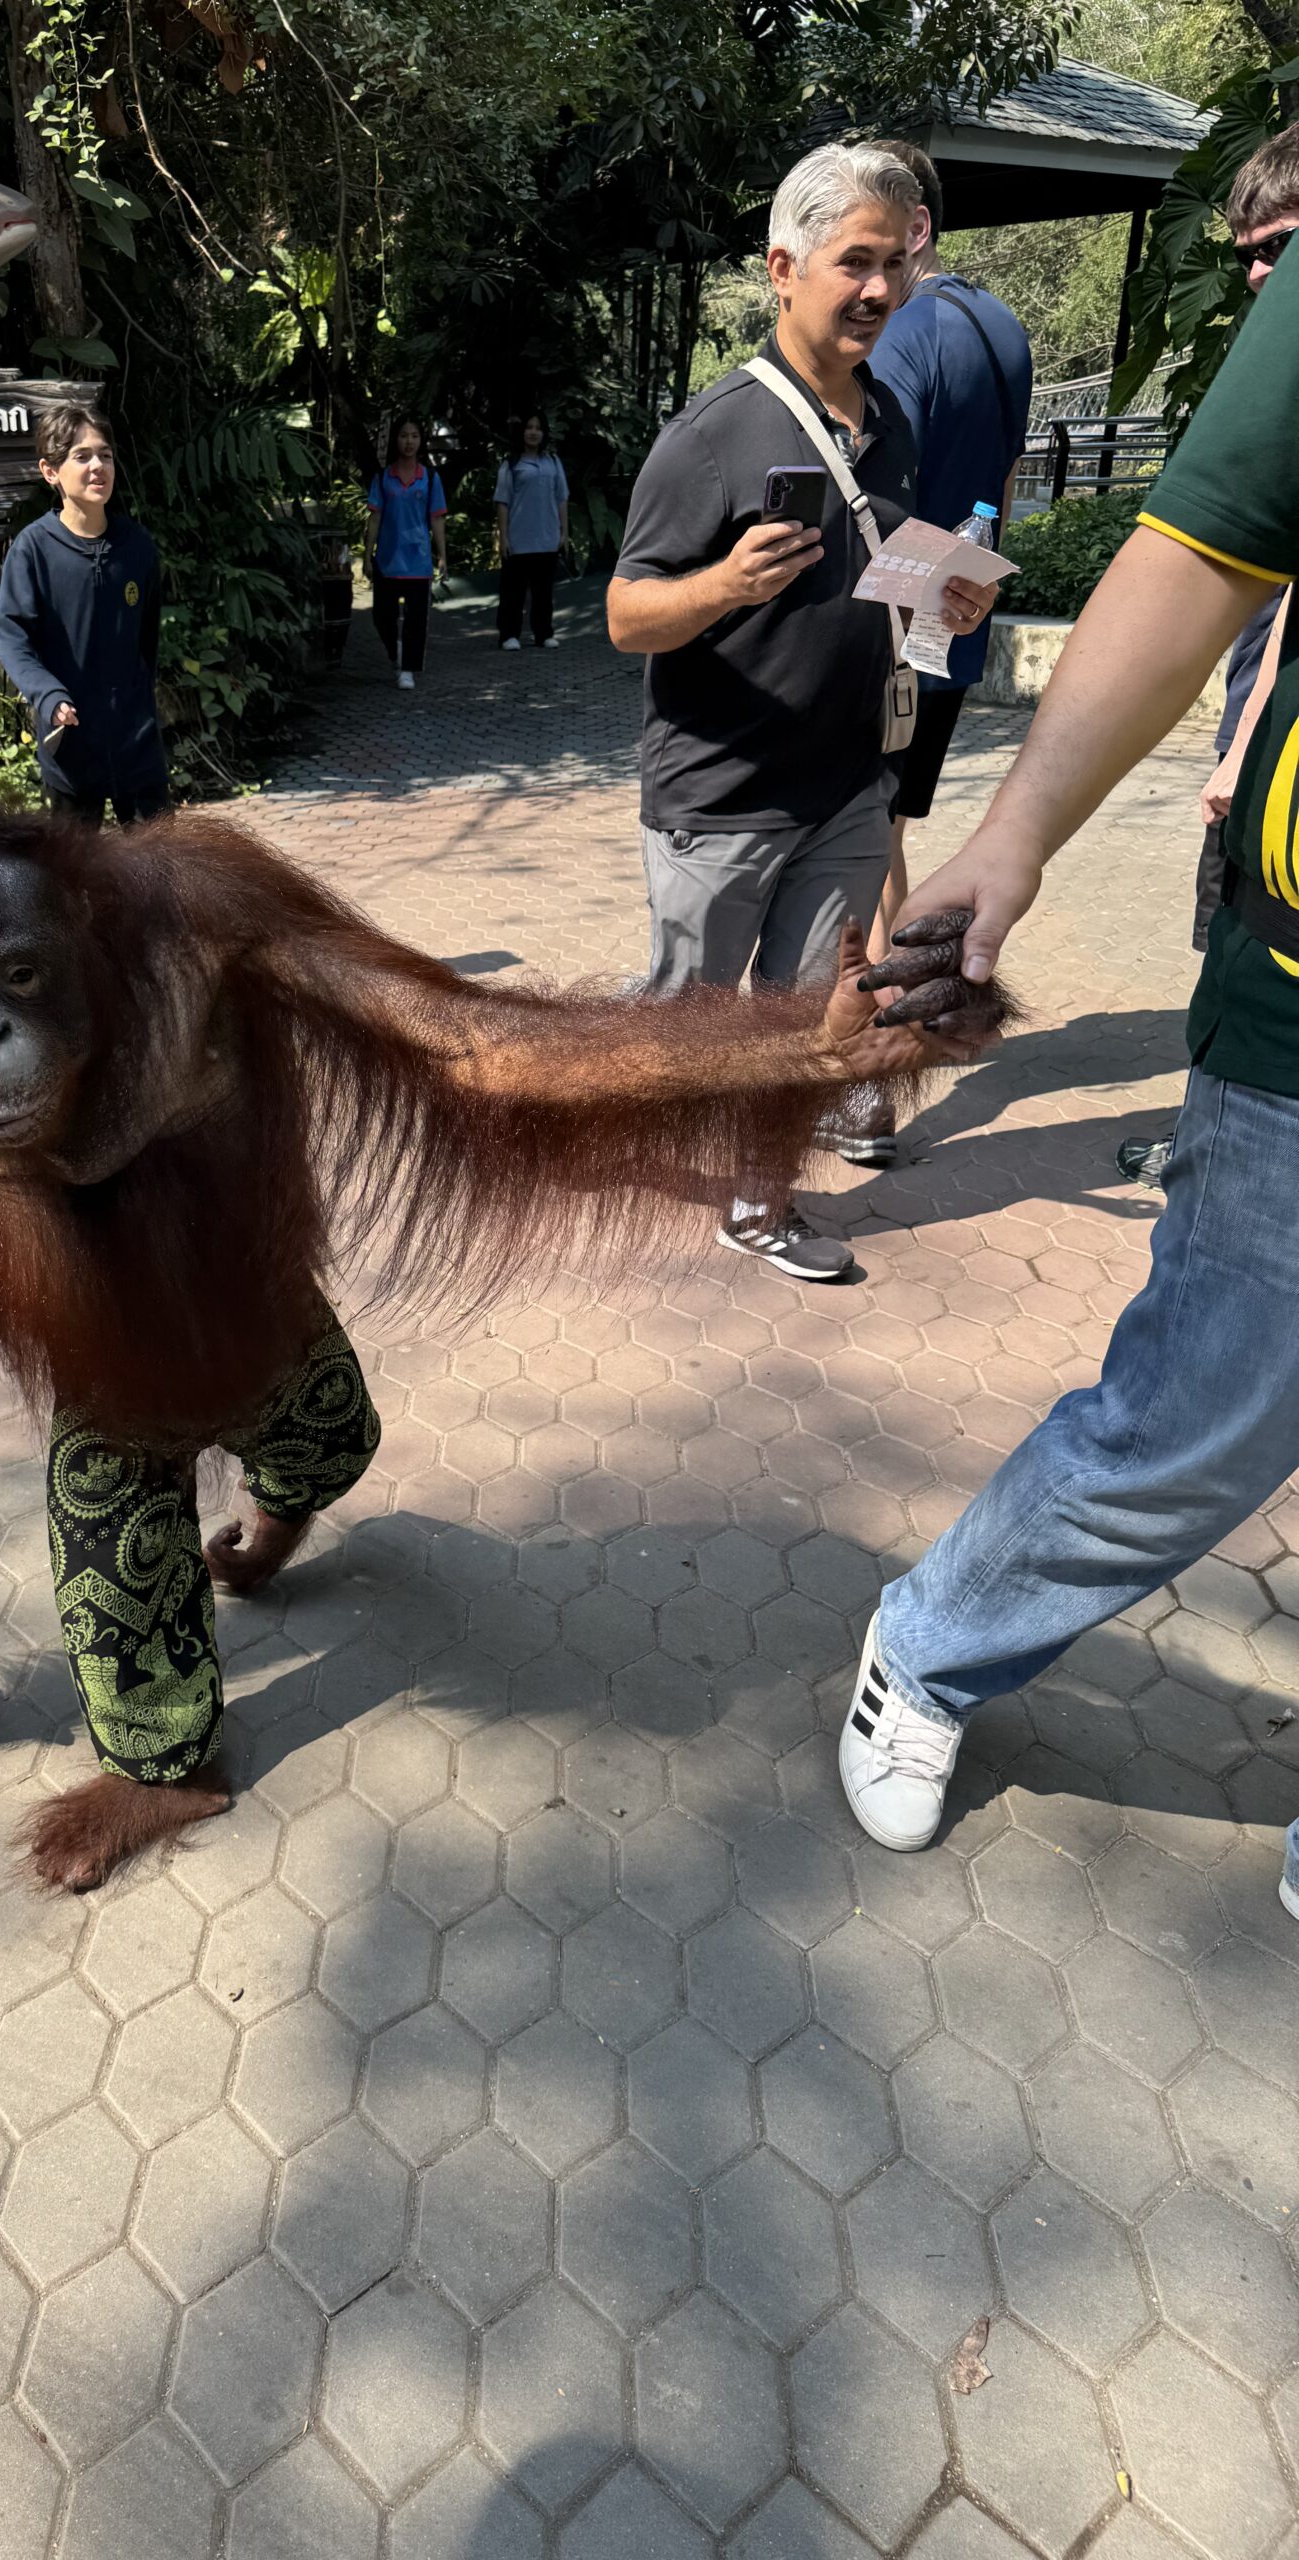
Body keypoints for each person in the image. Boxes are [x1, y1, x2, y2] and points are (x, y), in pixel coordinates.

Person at [837, 219, 1299, 1893]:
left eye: (895, 257)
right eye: (1255, 250)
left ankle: (877, 1082)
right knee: (1203, 1410)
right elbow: (1211, 554)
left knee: (891, 841)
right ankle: (938, 1642)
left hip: (935, 624)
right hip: (902, 645)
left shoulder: (945, 361)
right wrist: (1019, 830)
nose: (877, 284)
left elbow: (986, 534)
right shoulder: (882, 373)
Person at [608, 142, 992, 1279]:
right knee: (690, 1014)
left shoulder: (896, 425)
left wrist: (951, 613)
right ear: (784, 267)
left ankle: (756, 1196)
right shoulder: (715, 432)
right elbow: (629, 615)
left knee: (795, 1013)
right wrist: (725, 585)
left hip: (846, 785)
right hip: (722, 793)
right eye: (853, 262)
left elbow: (899, 610)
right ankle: (609, 1134)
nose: (879, 290)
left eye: (894, 266)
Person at [818, 138, 1033, 1170]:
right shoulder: (1001, 327)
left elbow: (873, 485)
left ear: (914, 228)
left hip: (893, 623)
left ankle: (872, 1075)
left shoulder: (903, 334)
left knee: (868, 846)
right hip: (963, 614)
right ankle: (911, 1027)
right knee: (893, 828)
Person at [1116, 126, 1299, 1188]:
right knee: (1221, 939)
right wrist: (1238, 743)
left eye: (1282, 244)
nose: (1265, 274)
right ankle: (1204, 1132)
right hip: (1259, 772)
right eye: (1251, 256)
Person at [0, 403, 168, 823]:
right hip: (70, 745)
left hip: (137, 744)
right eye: (82, 456)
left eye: (105, 455)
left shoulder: (137, 547)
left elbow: (148, 641)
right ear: (50, 471)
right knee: (74, 881)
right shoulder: (33, 550)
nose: (98, 467)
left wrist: (139, 704)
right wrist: (48, 695)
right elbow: (13, 638)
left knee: (157, 875)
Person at [367, 417, 448, 690]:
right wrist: (368, 554)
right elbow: (375, 518)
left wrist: (442, 555)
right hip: (388, 559)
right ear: (395, 440)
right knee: (382, 616)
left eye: (414, 436)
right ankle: (396, 652)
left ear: (420, 440)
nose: (409, 441)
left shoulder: (430, 478)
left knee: (416, 618)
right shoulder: (382, 477)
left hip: (418, 559)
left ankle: (408, 669)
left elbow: (437, 519)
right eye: (404, 435)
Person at [495, 412, 569, 651]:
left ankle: (544, 633)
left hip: (547, 538)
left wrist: (563, 532)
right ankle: (509, 635)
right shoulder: (511, 464)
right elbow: (503, 502)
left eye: (538, 428)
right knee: (512, 593)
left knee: (543, 594)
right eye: (529, 427)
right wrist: (503, 537)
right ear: (522, 432)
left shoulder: (553, 462)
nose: (534, 432)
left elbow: (561, 499)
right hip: (518, 539)